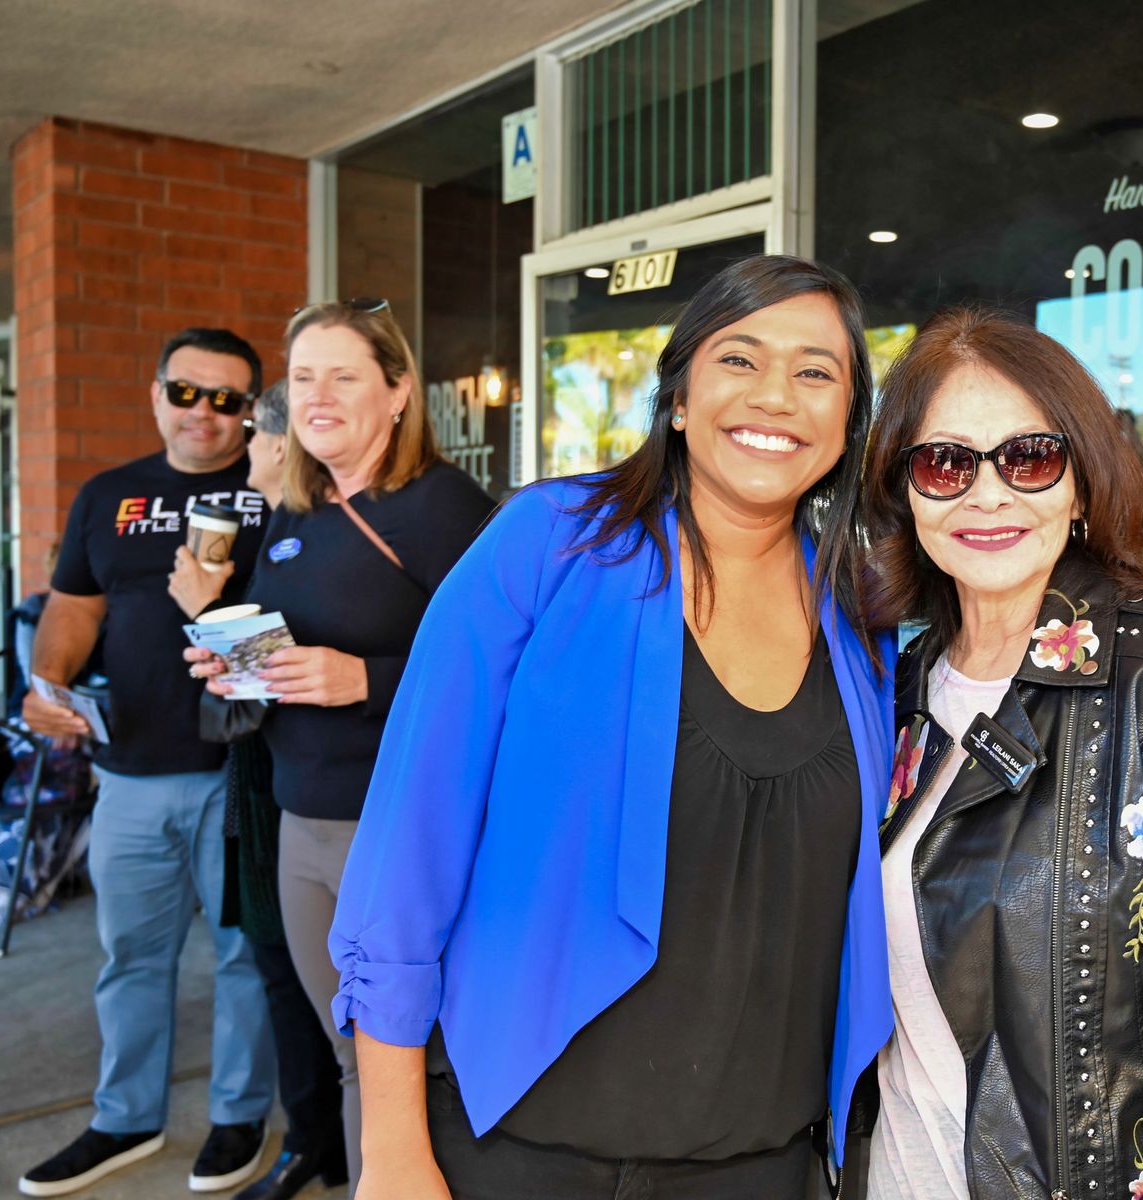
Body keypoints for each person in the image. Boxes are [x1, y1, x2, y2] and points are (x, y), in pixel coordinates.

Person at [325, 255, 895, 1200]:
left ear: (846, 424)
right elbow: (407, 849)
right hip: (514, 1151)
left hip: (760, 1166)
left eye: (815, 372)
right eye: (739, 359)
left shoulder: (864, 620)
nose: (775, 395)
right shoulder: (550, 542)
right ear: (680, 399)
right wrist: (391, 1151)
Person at [858, 309, 1143, 1200]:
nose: (988, 495)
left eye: (1029, 458)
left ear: (1082, 483)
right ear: (905, 492)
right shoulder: (897, 684)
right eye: (946, 463)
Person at [187, 299, 494, 1194]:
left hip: (403, 827)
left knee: (418, 1063)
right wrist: (232, 662)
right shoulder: (299, 510)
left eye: (343, 375)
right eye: (302, 378)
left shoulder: (444, 508)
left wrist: (367, 680)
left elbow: (515, 666)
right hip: (300, 821)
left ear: (397, 392)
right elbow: (287, 650)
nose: (316, 397)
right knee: (353, 1055)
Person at [18, 328, 276, 1197]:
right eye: (186, 392)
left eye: (227, 399)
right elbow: (74, 607)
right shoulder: (108, 495)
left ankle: (240, 1116)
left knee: (244, 955)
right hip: (126, 771)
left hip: (241, 771)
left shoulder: (275, 491)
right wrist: (47, 683)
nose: (204, 412)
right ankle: (125, 1118)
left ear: (251, 411)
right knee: (129, 955)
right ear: (157, 393)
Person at [172, 379, 349, 1200]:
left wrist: (210, 607)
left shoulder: (313, 530)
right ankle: (319, 1139)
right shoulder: (279, 527)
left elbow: (278, 676)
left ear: (280, 445)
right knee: (282, 966)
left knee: (298, 968)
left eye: (253, 437)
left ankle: (324, 1141)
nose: (245, 452)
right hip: (270, 774)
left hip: (303, 784)